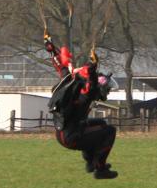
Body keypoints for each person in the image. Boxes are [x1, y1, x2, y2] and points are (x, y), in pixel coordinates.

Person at [45, 35, 118, 179]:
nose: (108, 93)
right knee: (109, 131)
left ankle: (90, 162)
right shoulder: (86, 94)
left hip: (66, 133)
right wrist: (92, 66)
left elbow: (62, 67)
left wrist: (51, 48)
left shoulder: (72, 84)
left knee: (101, 124)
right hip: (71, 136)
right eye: (107, 90)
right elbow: (91, 85)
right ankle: (100, 169)